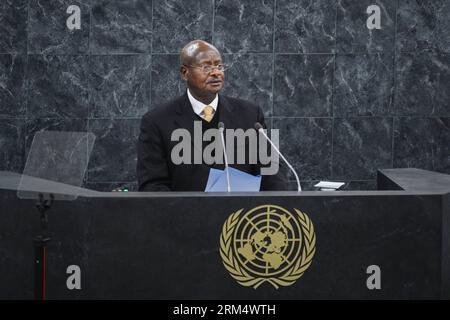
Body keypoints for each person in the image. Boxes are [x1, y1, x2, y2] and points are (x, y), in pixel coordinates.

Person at [137, 40, 287, 191]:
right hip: (185, 213)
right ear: (184, 73)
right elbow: (153, 185)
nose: (216, 72)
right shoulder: (157, 121)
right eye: (206, 67)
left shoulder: (250, 115)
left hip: (241, 212)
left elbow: (272, 173)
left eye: (219, 66)